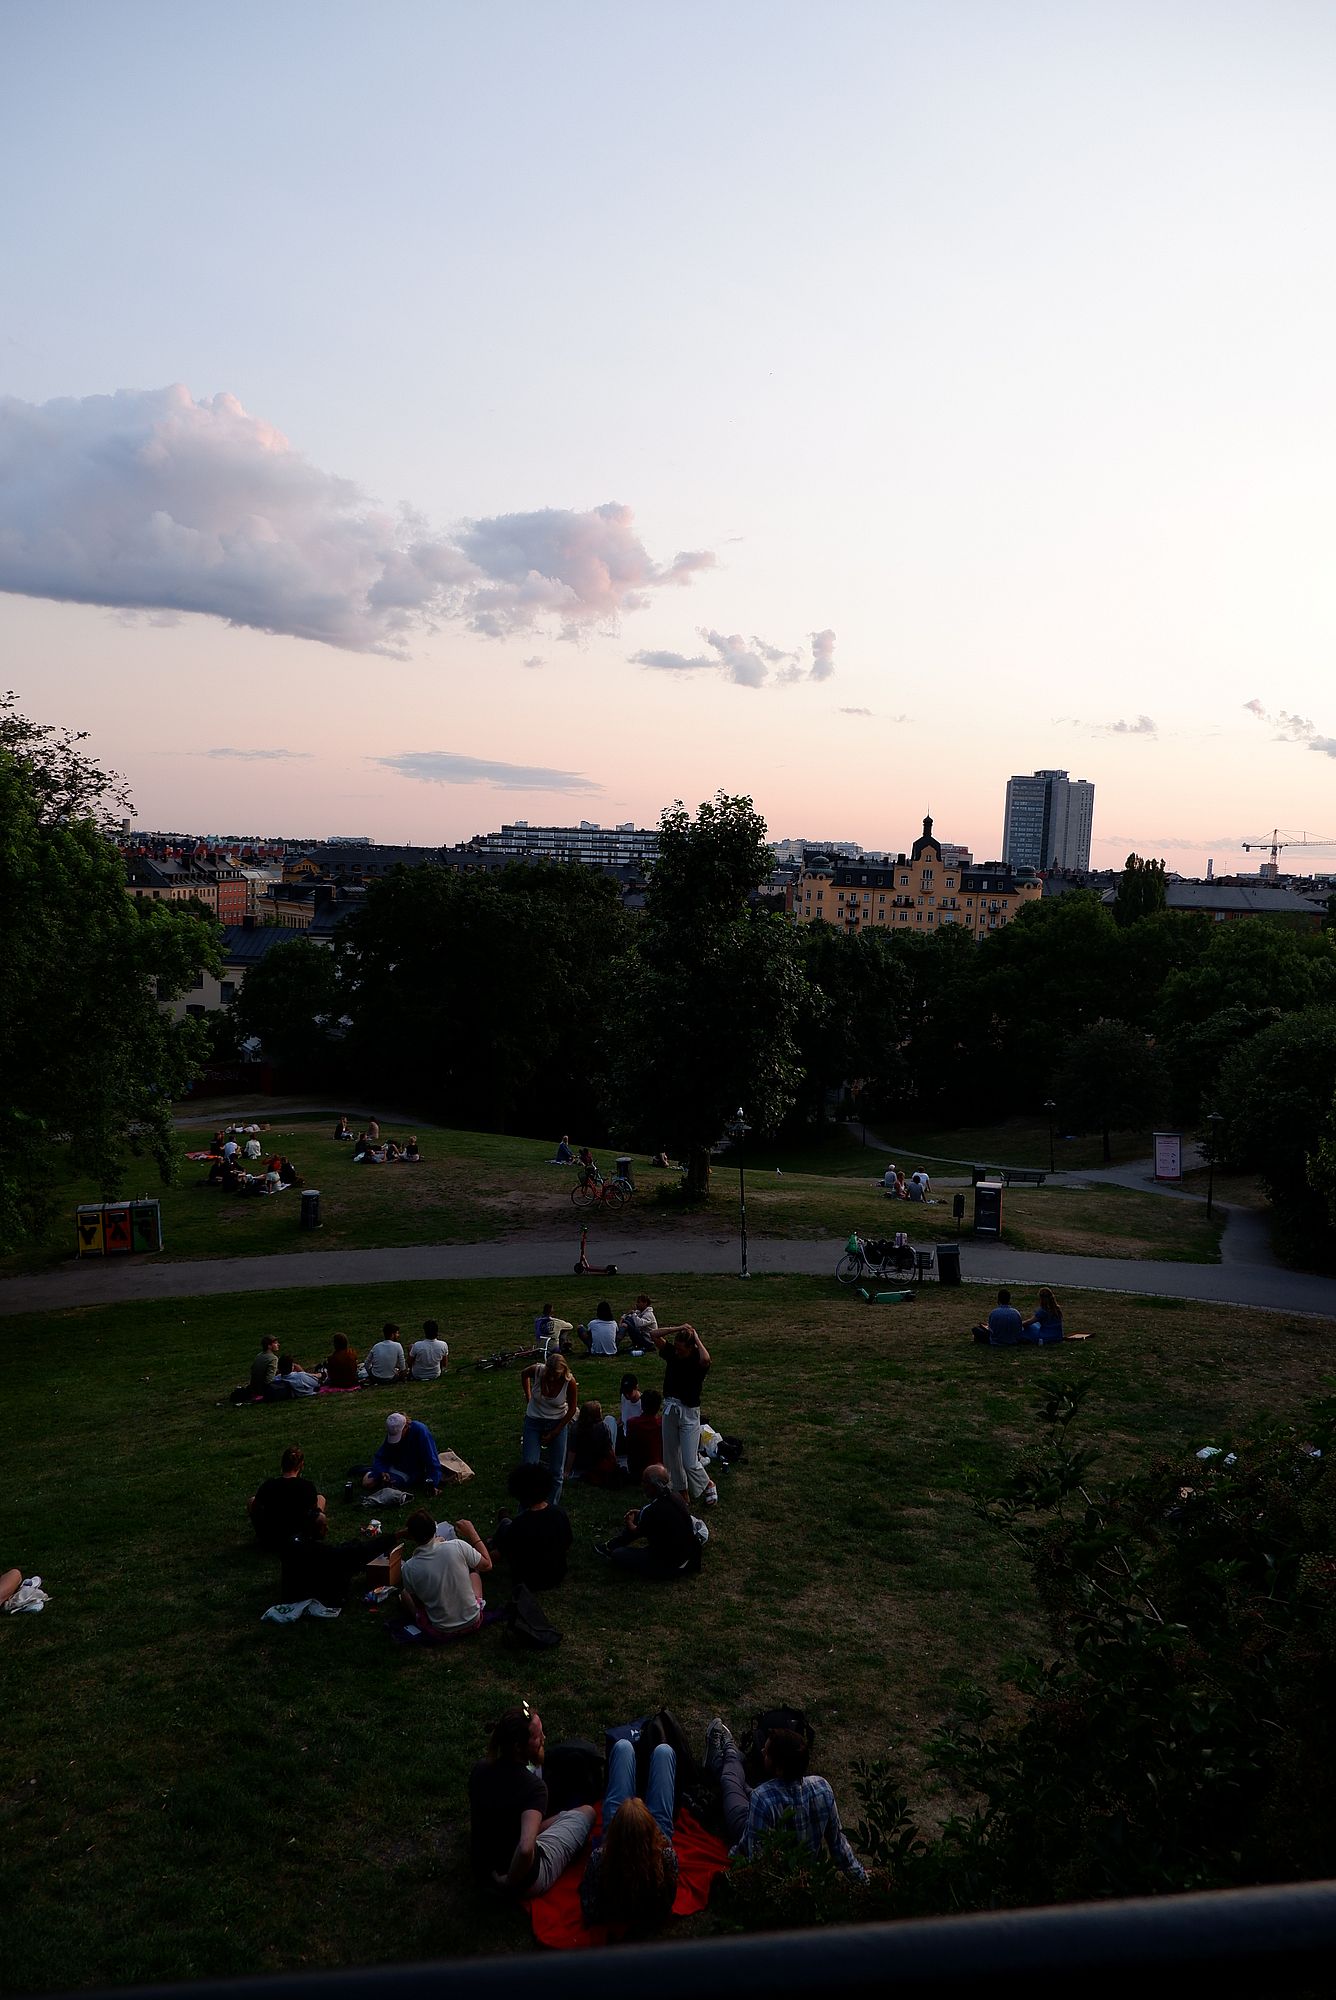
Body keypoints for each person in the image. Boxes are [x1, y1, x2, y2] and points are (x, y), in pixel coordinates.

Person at [703, 1719, 866, 1882]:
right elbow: (839, 1845)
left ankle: (727, 1751)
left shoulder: (763, 1798)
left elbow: (753, 1853)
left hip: (755, 1833)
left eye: (767, 1753)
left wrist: (730, 1859)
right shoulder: (822, 1787)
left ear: (780, 1768)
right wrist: (862, 1878)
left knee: (730, 1782)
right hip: (804, 1874)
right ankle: (730, 1756)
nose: (761, 1751)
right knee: (742, 1786)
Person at [469, 1705, 595, 1896]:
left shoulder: (480, 1769)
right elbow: (526, 1849)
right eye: (537, 1737)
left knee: (561, 1817)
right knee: (587, 1812)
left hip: (489, 1861)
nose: (544, 1738)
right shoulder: (533, 1788)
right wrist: (508, 1882)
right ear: (519, 1747)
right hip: (524, 1876)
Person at [580, 1737, 679, 1933]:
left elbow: (589, 1908)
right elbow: (667, 1904)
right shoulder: (666, 1857)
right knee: (665, 1751)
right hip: (657, 1839)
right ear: (651, 1827)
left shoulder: (601, 1859)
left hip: (619, 1841)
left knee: (623, 1747)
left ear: (615, 1827)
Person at [653, 1323, 718, 1507]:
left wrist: (696, 1337)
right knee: (671, 1456)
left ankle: (708, 1484)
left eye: (682, 1349)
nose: (678, 1352)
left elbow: (707, 1359)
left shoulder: (697, 1361)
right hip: (670, 1411)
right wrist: (677, 1329)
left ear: (691, 1348)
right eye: (677, 1348)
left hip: (689, 1413)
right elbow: (654, 1334)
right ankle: (682, 1492)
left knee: (690, 1461)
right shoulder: (673, 1354)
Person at [595, 1465, 699, 1579]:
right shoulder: (676, 1496)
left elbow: (636, 1531)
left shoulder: (654, 1510)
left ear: (654, 1486)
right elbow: (660, 1518)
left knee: (619, 1554)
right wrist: (641, 1514)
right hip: (686, 1555)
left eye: (645, 1482)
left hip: (669, 1563)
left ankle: (610, 1548)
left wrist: (629, 1521)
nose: (642, 1485)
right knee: (639, 1517)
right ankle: (611, 1546)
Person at [400, 1507, 491, 1638]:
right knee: (474, 1574)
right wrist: (472, 1532)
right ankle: (472, 1605)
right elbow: (487, 1565)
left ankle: (423, 1619)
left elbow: (420, 1604)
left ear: (412, 1536)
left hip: (441, 1630)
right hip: (473, 1621)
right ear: (435, 1529)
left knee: (404, 1593)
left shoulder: (408, 1568)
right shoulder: (458, 1546)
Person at [279, 1512, 398, 1608]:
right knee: (352, 1558)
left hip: (291, 1588)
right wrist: (395, 1536)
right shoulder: (321, 1552)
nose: (327, 1529)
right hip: (309, 1592)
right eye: (323, 1527)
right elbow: (361, 1551)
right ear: (313, 1530)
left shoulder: (291, 1542)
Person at [491, 1462, 573, 1591]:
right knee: (507, 1526)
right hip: (556, 1576)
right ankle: (504, 1520)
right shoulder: (559, 1513)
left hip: (528, 1581)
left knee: (505, 1526)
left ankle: (501, 1525)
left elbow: (499, 1554)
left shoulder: (520, 1525)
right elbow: (567, 1542)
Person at [520, 1352, 578, 1506]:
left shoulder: (569, 1381)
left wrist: (556, 1431)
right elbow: (524, 1374)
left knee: (556, 1471)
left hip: (557, 1422)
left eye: (556, 1375)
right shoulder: (538, 1370)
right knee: (529, 1467)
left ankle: (551, 1507)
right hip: (533, 1421)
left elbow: (572, 1409)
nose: (551, 1378)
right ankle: (527, 1506)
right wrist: (529, 1396)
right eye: (549, 1374)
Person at [248, 1445, 326, 1549]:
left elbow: (255, 1507)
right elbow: (313, 1510)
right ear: (301, 1465)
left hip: (272, 1536)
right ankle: (317, 1535)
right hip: (298, 1537)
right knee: (321, 1499)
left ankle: (261, 1536)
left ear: (282, 1464)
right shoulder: (306, 1486)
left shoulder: (269, 1485)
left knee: (251, 1501)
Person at [362, 1411, 445, 1494]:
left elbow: (432, 1460)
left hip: (411, 1470)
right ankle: (371, 1471)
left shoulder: (420, 1432)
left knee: (393, 1484)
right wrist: (382, 1472)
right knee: (368, 1483)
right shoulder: (393, 1431)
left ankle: (376, 1473)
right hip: (395, 1465)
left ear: (406, 1427)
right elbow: (381, 1456)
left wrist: (432, 1483)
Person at [566, 1401, 621, 1486]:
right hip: (597, 1463)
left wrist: (567, 1471)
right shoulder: (602, 1427)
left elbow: (572, 1451)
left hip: (580, 1463)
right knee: (610, 1419)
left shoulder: (575, 1428)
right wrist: (614, 1464)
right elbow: (608, 1449)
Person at [623, 1388, 664, 1483]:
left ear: (642, 1405)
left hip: (636, 1471)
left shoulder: (632, 1423)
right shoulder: (662, 1424)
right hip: (657, 1469)